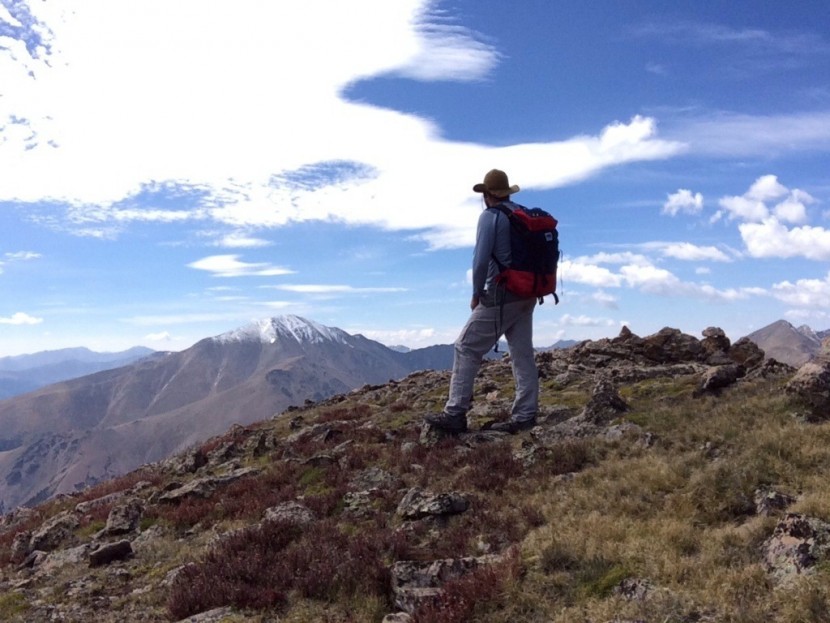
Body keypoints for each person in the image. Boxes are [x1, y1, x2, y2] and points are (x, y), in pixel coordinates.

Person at [425, 169, 539, 434]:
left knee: (465, 347)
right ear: (507, 192)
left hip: (501, 296)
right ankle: (526, 414)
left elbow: (480, 261)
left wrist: (477, 293)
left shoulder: (491, 217)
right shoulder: (522, 214)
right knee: (522, 353)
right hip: (528, 294)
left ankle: (455, 414)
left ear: (487, 195)